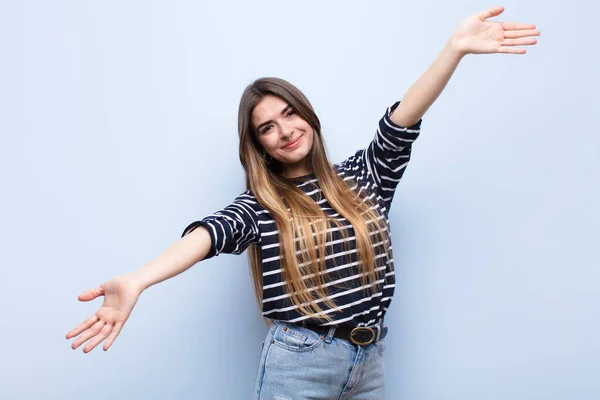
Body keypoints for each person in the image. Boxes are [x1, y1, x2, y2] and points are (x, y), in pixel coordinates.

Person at [66, 6, 539, 399]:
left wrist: (454, 48)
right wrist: (137, 280)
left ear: (307, 115)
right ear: (260, 145)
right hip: (299, 363)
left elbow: (403, 116)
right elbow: (208, 234)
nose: (285, 130)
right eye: (267, 127)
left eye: (289, 113)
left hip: (369, 361)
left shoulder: (365, 175)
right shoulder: (260, 204)